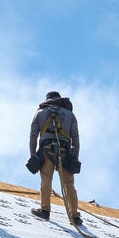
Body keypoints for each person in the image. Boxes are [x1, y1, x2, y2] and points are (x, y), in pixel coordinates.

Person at [27, 91, 82, 225]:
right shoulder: (70, 115)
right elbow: (75, 138)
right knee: (68, 184)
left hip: (46, 151)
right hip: (65, 151)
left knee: (46, 179)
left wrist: (32, 154)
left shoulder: (40, 113)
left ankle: (45, 211)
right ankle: (74, 216)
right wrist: (75, 156)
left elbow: (33, 135)